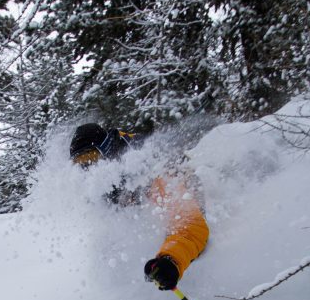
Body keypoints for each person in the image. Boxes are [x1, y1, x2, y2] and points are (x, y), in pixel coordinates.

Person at [69, 123, 209, 290]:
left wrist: (171, 261)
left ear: (107, 149)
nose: (88, 166)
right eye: (80, 162)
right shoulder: (101, 183)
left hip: (191, 224)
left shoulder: (149, 169)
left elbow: (190, 226)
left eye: (91, 157)